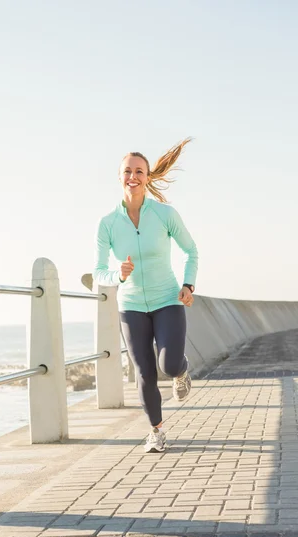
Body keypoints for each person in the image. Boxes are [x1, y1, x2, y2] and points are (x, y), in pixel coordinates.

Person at [93, 139, 198, 453]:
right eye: (127, 171)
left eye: (139, 171)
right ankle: (156, 431)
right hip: (131, 306)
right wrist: (118, 275)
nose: (133, 176)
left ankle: (181, 371)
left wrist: (188, 285)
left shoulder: (165, 214)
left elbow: (191, 251)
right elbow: (98, 271)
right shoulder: (108, 223)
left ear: (148, 177)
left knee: (168, 364)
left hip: (167, 299)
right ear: (119, 176)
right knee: (144, 372)